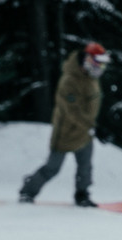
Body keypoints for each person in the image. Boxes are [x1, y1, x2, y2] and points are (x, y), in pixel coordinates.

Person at [20, 42, 108, 207]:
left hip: (84, 132)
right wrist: (93, 127)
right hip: (65, 133)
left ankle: (82, 194)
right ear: (88, 60)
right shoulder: (69, 81)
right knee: (52, 168)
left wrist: (94, 126)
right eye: (98, 62)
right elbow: (72, 111)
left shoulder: (92, 78)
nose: (101, 67)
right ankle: (27, 191)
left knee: (85, 167)